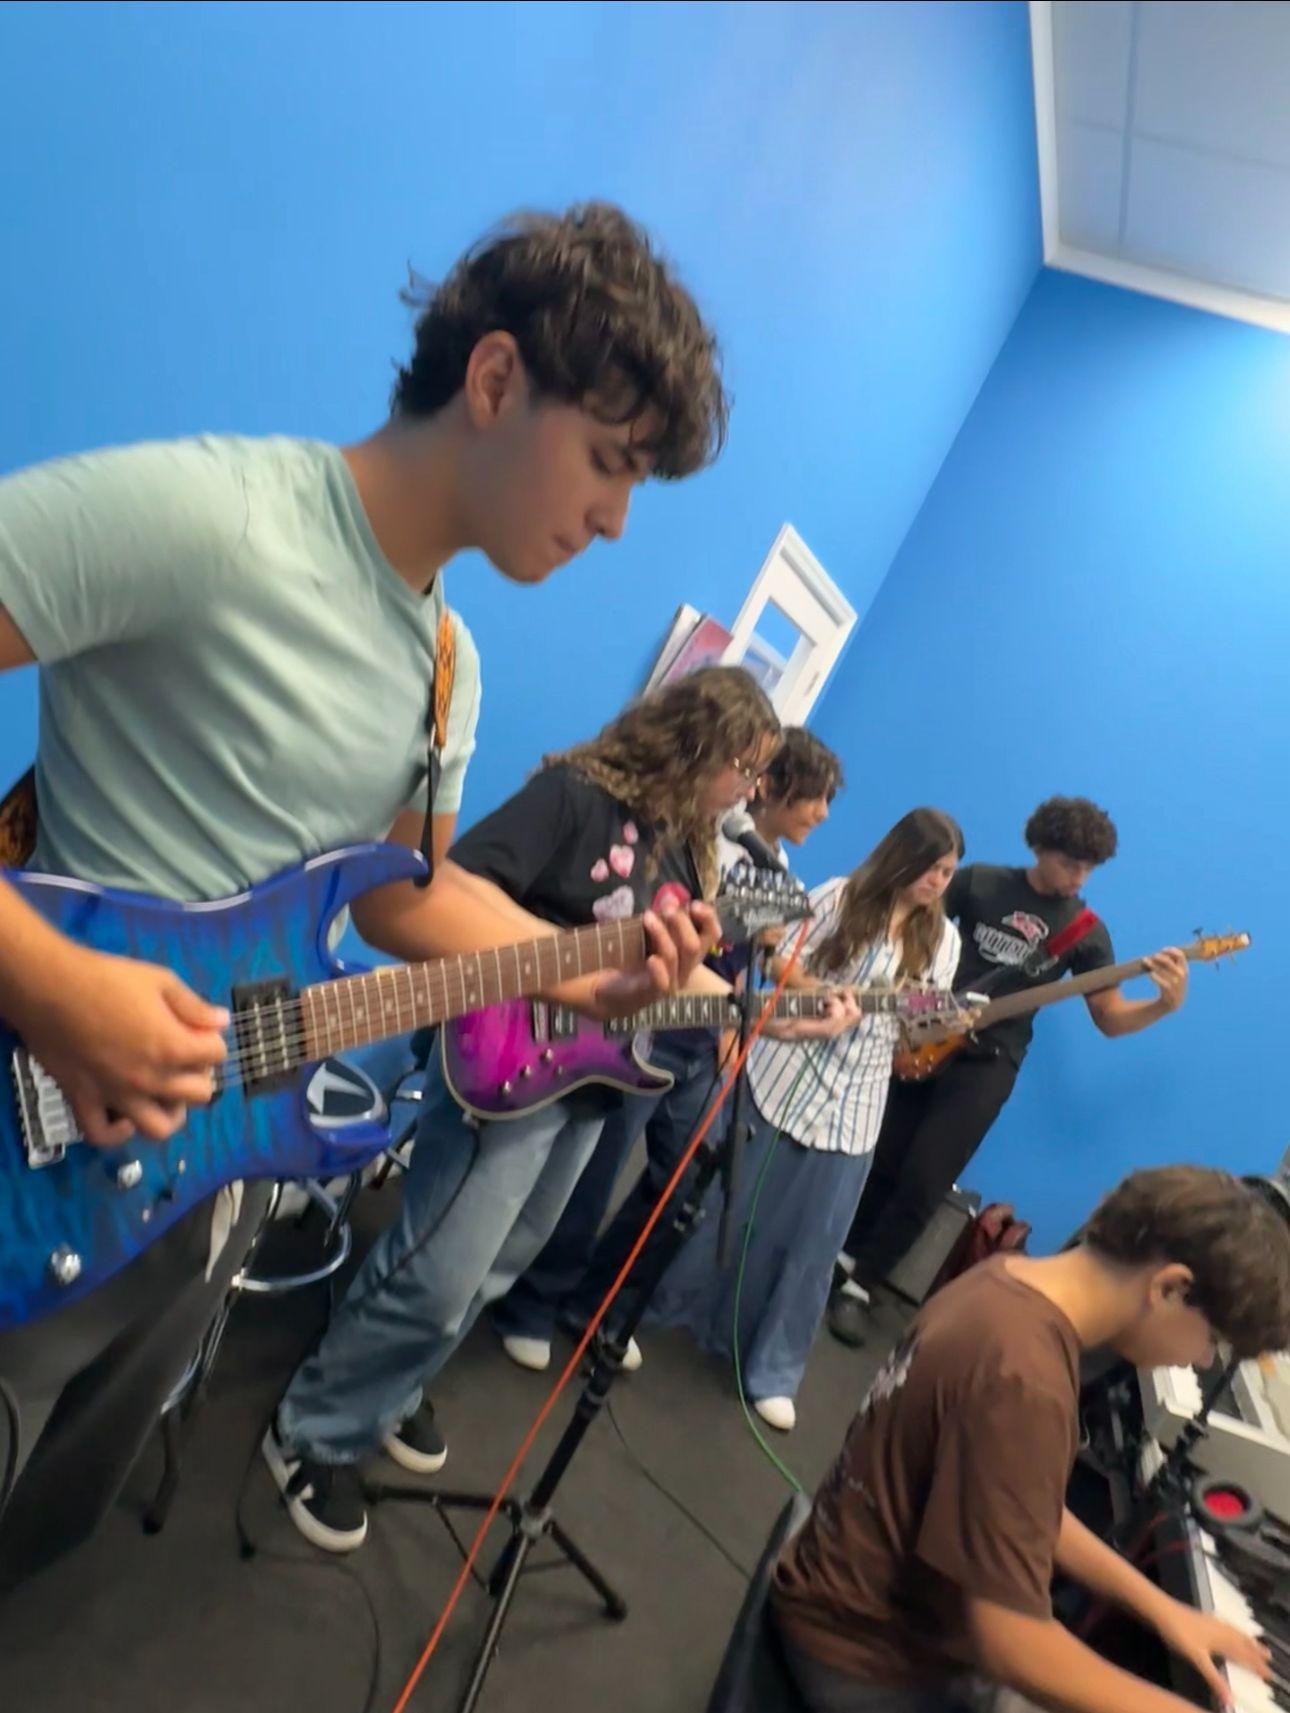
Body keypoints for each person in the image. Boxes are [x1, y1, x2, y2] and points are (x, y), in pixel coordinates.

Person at [0, 200, 725, 1585]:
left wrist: (601, 968)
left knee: (41, 1519)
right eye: (606, 463)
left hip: (198, 1177)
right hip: (30, 1107)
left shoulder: (448, 665)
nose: (618, 521)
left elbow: (402, 898)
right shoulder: (211, 515)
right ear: (496, 378)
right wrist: (50, 982)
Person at [266, 669, 858, 1551]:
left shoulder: (694, 850)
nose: (748, 788)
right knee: (438, 1269)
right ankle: (311, 1429)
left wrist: (780, 1014)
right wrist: (569, 965)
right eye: (742, 765)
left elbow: (674, 979)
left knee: (501, 1262)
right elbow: (454, 889)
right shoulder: (574, 797)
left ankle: (383, 1390)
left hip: (595, 1079)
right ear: (694, 743)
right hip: (510, 1053)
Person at [772, 1164, 1290, 1713]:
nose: (1202, 1359)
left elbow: (1022, 1508)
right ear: (1170, 1288)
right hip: (866, 1659)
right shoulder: (1026, 1379)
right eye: (1211, 1340)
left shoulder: (1006, 1281)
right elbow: (1009, 1642)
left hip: (835, 1599)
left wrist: (1165, 1610)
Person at [491, 725, 845, 1375]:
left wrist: (764, 1014)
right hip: (647, 1028)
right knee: (591, 1174)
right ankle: (529, 1305)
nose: (822, 814)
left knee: (681, 1182)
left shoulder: (777, 869)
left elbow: (746, 957)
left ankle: (595, 1303)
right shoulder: (714, 843)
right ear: (772, 786)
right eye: (816, 798)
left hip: (704, 1041)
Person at [645, 808, 965, 1434]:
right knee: (723, 1205)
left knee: (815, 1242)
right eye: (932, 869)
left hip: (858, 1098)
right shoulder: (839, 897)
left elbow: (919, 1025)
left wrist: (942, 1025)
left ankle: (772, 1368)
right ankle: (670, 1308)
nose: (938, 883)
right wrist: (822, 991)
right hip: (785, 1068)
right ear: (902, 858)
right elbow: (779, 958)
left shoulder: (944, 941)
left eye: (949, 874)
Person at [829, 796, 1191, 1346]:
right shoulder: (978, 884)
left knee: (927, 1174)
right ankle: (839, 1257)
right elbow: (912, 940)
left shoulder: (1087, 932)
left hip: (992, 1059)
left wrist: (1163, 1006)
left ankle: (865, 1284)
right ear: (1042, 848)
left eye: (1090, 868)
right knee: (881, 1152)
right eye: (1072, 863)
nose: (1080, 877)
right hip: (920, 1038)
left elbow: (1110, 1019)